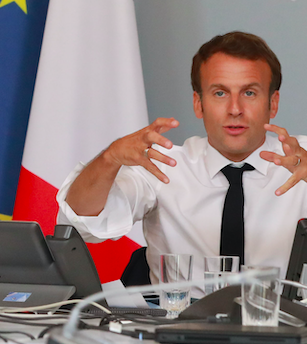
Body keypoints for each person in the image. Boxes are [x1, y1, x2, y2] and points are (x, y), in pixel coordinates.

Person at [57, 31, 307, 296]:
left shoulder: (302, 160)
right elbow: (81, 222)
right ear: (199, 104)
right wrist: (110, 159)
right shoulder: (163, 165)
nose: (235, 109)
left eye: (249, 92)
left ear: (273, 103)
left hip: (284, 319)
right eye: (220, 93)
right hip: (179, 318)